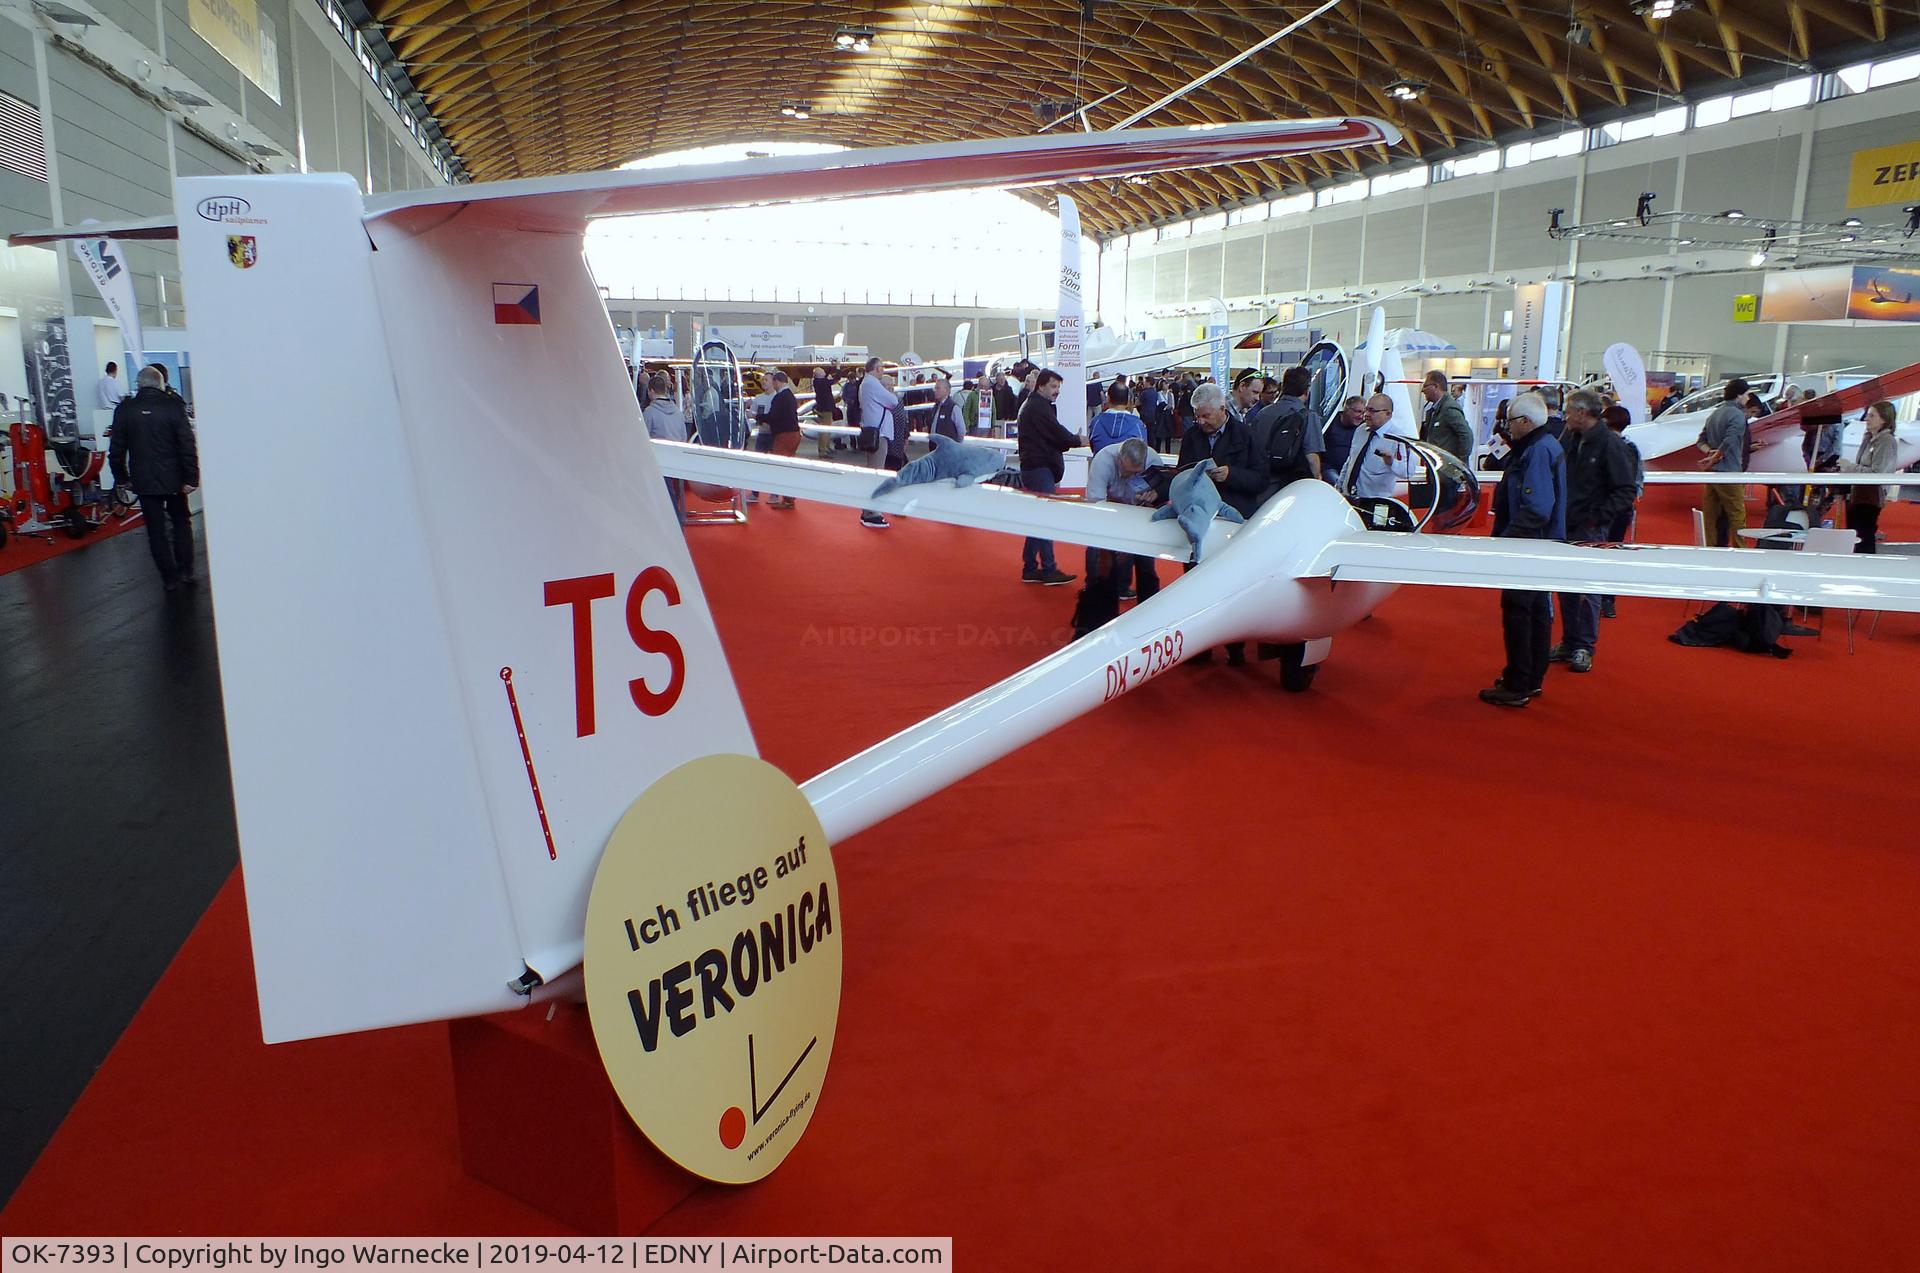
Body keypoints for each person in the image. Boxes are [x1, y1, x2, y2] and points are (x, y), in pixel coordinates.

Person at [1480, 392, 1566, 708]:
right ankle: (1529, 677)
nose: (1508, 428)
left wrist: (1508, 539)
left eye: (1511, 422)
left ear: (1526, 422)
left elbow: (1538, 508)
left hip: (1528, 545)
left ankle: (1519, 682)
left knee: (1520, 613)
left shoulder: (1538, 451)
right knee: (1536, 613)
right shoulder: (1543, 446)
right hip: (1536, 543)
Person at [1549, 389, 1637, 672]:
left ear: (1582, 413)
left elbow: (1625, 490)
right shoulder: (1571, 440)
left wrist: (1597, 518)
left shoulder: (1610, 445)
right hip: (1568, 524)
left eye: (1569, 410)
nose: (1565, 415)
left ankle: (1584, 646)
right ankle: (1570, 641)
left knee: (1587, 589)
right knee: (1566, 587)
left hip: (1590, 528)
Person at [109, 366, 199, 592]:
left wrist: (121, 477)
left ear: (138, 384)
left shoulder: (125, 410)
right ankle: (186, 571)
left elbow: (116, 449)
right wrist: (191, 477)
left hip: (143, 479)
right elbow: (187, 445)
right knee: (181, 522)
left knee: (155, 530)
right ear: (161, 383)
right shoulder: (174, 406)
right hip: (175, 478)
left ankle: (170, 578)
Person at [1081, 435, 1161, 614]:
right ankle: (1098, 608)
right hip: (1109, 510)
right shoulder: (1103, 460)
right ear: (1119, 459)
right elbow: (1095, 505)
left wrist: (1155, 495)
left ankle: (1150, 611)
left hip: (1141, 513)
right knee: (1098, 555)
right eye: (1127, 471)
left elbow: (1164, 495)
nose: (1131, 476)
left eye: (1136, 473)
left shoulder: (1154, 460)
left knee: (1146, 564)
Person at [1015, 369, 1080, 584]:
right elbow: (1058, 433)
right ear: (1041, 385)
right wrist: (1078, 440)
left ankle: (1031, 566)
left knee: (1037, 518)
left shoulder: (1034, 406)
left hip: (1035, 467)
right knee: (1045, 519)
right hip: (1039, 468)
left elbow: (1054, 435)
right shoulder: (1038, 408)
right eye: (1053, 387)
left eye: (1058, 387)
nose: (1057, 391)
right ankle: (1048, 568)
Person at [1248, 363, 1323, 498]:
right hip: (1291, 489)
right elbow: (1312, 458)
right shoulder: (1307, 416)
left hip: (1260, 486)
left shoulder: (1263, 413)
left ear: (1282, 387)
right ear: (1307, 391)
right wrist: (1317, 480)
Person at [1837, 399, 1899, 553]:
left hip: (1869, 497)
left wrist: (1849, 467)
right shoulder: (1868, 438)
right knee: (1855, 535)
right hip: (1858, 495)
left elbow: (1877, 473)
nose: (1866, 419)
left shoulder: (1885, 441)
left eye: (1872, 416)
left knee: (1863, 537)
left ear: (1884, 419)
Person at [1696, 377, 1750, 546]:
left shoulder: (1715, 413)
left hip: (1712, 473)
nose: (1748, 398)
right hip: (1729, 471)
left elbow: (1701, 440)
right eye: (1747, 394)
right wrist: (1716, 456)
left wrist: (1709, 453)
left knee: (1710, 516)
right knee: (1737, 515)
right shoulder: (1737, 415)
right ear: (1739, 395)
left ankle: (1709, 548)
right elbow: (1731, 440)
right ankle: (1740, 550)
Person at [1600, 404, 1641, 618]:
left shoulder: (1604, 446)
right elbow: (1637, 481)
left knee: (1596, 551)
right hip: (1622, 509)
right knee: (1613, 552)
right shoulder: (1631, 448)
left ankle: (1596, 597)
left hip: (1605, 508)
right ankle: (1607, 600)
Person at [857, 361, 903, 529]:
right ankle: (872, 512)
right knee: (876, 473)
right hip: (879, 434)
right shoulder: (872, 384)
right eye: (882, 367)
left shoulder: (865, 384)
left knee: (873, 471)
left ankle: (869, 510)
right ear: (877, 369)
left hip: (871, 433)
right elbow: (893, 401)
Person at [1342, 395, 1404, 500]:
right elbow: (1351, 461)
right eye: (1366, 410)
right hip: (1348, 497)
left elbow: (1408, 471)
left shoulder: (1398, 438)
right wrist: (1339, 486)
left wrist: (1392, 462)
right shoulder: (1360, 430)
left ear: (1387, 414)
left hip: (1374, 502)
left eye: (1372, 411)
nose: (1366, 414)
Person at [761, 371, 802, 509]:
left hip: (785, 435)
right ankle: (789, 497)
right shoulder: (790, 395)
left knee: (782, 467)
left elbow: (773, 417)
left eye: (773, 381)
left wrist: (758, 417)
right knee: (788, 466)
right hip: (794, 434)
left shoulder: (780, 397)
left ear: (777, 381)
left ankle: (788, 499)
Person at [1418, 369, 1474, 462]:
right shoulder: (1434, 410)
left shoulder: (1448, 408)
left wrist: (1459, 463)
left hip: (1447, 471)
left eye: (1425, 386)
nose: (1422, 390)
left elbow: (1466, 435)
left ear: (1436, 386)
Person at [1088, 381, 1147, 454]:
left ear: (1108, 399)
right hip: (1127, 465)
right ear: (1128, 400)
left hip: (1101, 464)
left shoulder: (1096, 422)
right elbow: (1143, 452)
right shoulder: (1138, 425)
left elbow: (1093, 446)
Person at [1322, 395, 1365, 486]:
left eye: (1363, 413)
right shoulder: (1330, 421)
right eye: (1358, 412)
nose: (1361, 416)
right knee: (1339, 486)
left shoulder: (1363, 427)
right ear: (1347, 409)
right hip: (1330, 468)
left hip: (1351, 471)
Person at [926, 375, 966, 442]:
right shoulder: (936, 406)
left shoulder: (954, 408)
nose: (935, 390)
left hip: (947, 449)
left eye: (938, 388)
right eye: (935, 388)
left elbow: (961, 431)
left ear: (946, 390)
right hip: (935, 448)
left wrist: (955, 445)